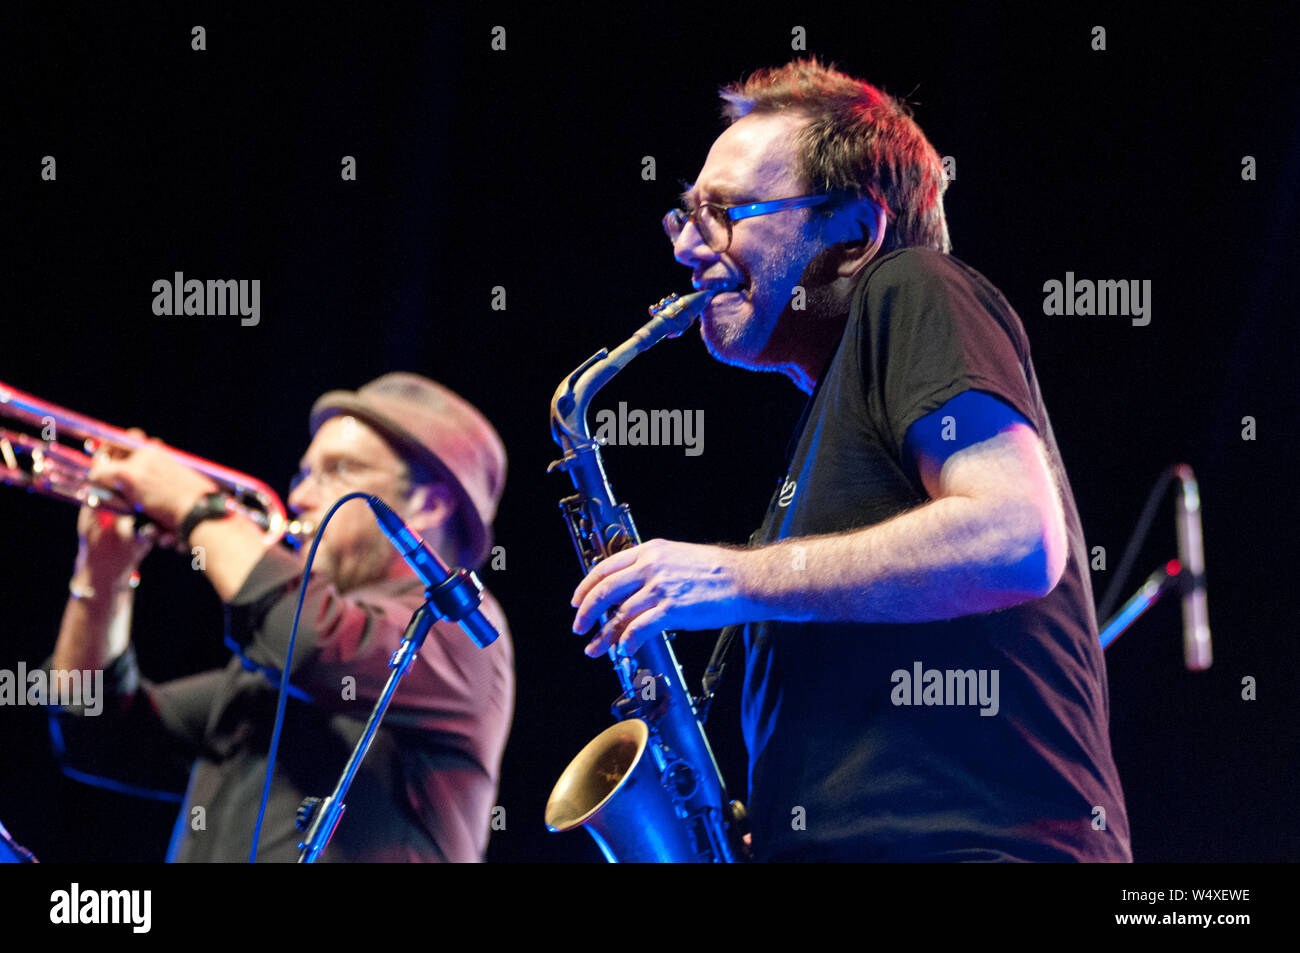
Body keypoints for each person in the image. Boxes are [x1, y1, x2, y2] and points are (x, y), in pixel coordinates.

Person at [570, 58, 1131, 862]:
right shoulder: (826, 440)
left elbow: (1017, 535)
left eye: (722, 211)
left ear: (852, 237)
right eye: (687, 215)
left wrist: (728, 578)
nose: (690, 246)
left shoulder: (914, 287)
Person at [46, 373, 513, 862]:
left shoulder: (463, 630)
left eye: (338, 470)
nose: (301, 497)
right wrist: (103, 577)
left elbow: (314, 639)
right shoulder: (269, 671)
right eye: (304, 473)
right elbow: (95, 734)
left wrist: (193, 505)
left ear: (428, 503)